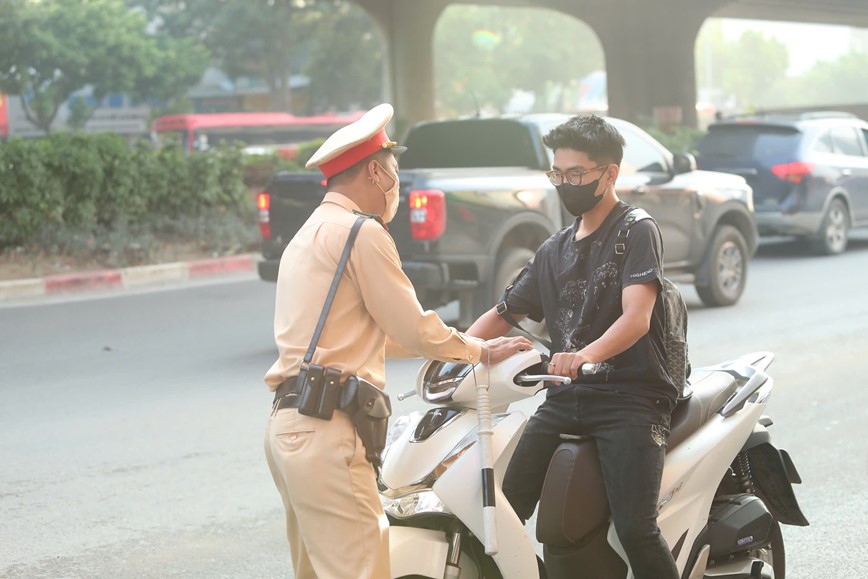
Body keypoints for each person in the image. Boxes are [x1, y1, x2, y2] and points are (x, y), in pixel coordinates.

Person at [263, 103, 532, 579]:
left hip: (288, 428)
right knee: (362, 570)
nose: (398, 187)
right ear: (374, 171)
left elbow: (373, 334)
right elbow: (410, 326)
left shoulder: (306, 235)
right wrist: (481, 351)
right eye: (395, 173)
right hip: (331, 430)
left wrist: (456, 343)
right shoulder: (360, 232)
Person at [466, 114, 680, 579]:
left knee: (636, 527)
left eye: (577, 174)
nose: (566, 184)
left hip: (630, 397)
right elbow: (502, 315)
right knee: (501, 510)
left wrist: (584, 355)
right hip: (566, 397)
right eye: (558, 174)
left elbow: (637, 319)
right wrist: (454, 352)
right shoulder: (553, 249)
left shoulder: (635, 230)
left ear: (610, 174)